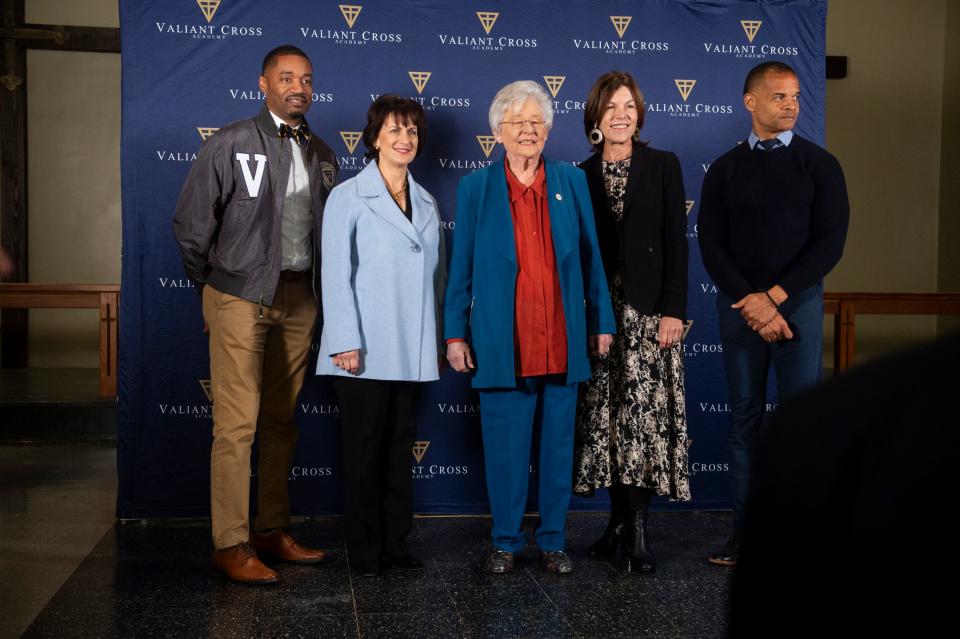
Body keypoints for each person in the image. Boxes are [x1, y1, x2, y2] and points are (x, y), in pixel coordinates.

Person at [172, 45, 337, 584]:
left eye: (307, 80)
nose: (298, 87)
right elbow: (192, 224)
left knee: (281, 423)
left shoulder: (323, 152)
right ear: (262, 83)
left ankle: (270, 529)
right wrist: (211, 291)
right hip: (240, 297)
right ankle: (231, 543)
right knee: (237, 424)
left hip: (298, 298)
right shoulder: (233, 141)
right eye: (287, 77)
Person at [444, 80, 615, 575]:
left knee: (558, 448)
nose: (527, 130)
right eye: (516, 122)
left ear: (548, 129)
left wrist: (601, 320)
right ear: (497, 132)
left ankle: (554, 540)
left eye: (536, 121)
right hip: (503, 342)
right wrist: (456, 334)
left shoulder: (571, 181)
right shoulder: (476, 187)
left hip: (562, 339)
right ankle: (505, 540)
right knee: (504, 452)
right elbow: (463, 267)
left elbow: (591, 259)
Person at [697, 61, 849, 566]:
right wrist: (752, 302)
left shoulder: (819, 164)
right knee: (744, 419)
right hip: (741, 308)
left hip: (797, 305)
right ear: (751, 102)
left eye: (795, 97)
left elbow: (830, 243)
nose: (791, 106)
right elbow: (712, 244)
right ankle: (746, 536)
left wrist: (777, 297)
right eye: (780, 97)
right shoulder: (724, 168)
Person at [317, 95, 445, 578]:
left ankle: (396, 544)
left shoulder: (428, 201)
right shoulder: (348, 196)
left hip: (410, 351)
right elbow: (336, 273)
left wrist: (435, 340)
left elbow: (437, 278)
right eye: (394, 130)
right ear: (373, 139)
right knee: (364, 452)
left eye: (412, 131)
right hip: (362, 352)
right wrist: (345, 340)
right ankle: (364, 550)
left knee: (397, 451)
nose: (404, 139)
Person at [574, 71, 691, 573]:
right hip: (601, 315)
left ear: (639, 113)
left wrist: (674, 311)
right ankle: (615, 522)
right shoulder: (579, 173)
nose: (621, 115)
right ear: (595, 117)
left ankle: (640, 532)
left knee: (642, 420)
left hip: (649, 315)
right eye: (611, 107)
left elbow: (676, 246)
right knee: (610, 418)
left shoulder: (663, 166)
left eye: (629, 106)